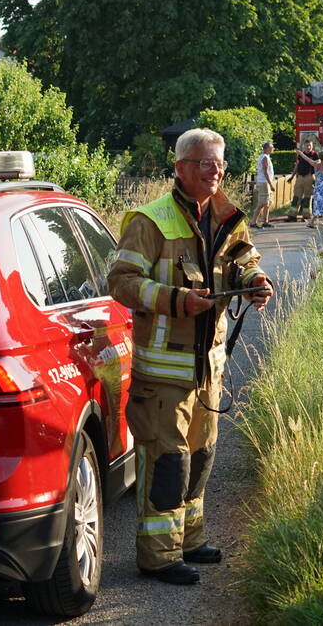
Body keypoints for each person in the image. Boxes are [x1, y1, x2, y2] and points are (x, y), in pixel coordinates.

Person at [107, 128, 273, 585]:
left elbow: (244, 256)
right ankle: (158, 557)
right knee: (167, 462)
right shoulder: (149, 221)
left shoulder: (225, 216)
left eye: (220, 163)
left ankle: (190, 540)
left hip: (208, 369)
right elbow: (121, 282)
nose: (216, 170)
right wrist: (178, 300)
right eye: (206, 163)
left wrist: (256, 280)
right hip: (163, 373)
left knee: (200, 456)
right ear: (180, 168)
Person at [296, 148, 323, 228]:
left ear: (319, 157)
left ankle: (322, 222)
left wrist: (300, 153)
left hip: (318, 187)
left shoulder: (316, 165)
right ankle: (319, 222)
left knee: (318, 205)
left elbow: (307, 159)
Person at [287, 139, 318, 221]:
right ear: (304, 146)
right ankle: (292, 215)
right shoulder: (300, 155)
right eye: (307, 145)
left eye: (310, 146)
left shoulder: (315, 155)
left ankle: (306, 215)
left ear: (312, 146)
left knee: (307, 197)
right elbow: (297, 166)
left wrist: (316, 179)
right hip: (300, 177)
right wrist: (292, 176)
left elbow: (317, 166)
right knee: (296, 196)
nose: (308, 147)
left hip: (309, 176)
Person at [252, 141, 276, 229]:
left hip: (265, 182)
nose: (272, 149)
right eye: (271, 148)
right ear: (266, 149)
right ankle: (253, 222)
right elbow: (265, 172)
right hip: (264, 183)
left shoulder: (267, 157)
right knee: (262, 203)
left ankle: (265, 221)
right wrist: (271, 184)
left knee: (267, 203)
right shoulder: (264, 157)